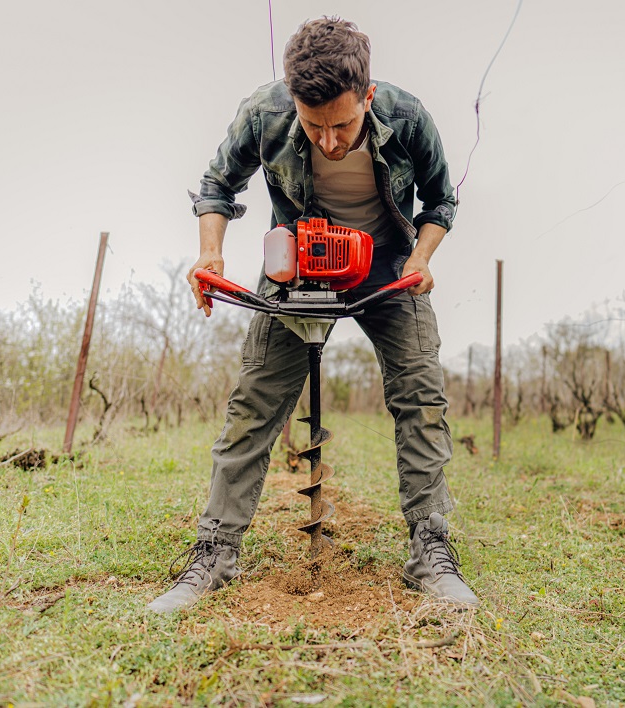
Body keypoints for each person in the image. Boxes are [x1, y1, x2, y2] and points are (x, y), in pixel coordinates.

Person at [148, 17, 477, 613]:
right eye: (313, 125)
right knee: (252, 409)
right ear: (292, 102)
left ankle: (431, 551)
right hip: (298, 263)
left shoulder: (407, 118)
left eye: (343, 125)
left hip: (389, 267)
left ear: (368, 97)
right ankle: (214, 556)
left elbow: (441, 200)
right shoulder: (264, 113)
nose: (328, 141)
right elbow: (217, 185)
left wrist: (423, 259)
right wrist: (210, 251)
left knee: (422, 401)